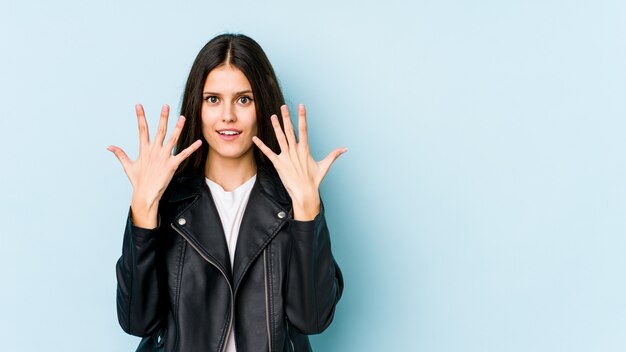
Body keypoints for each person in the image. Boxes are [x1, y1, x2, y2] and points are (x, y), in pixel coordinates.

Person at [107, 33, 345, 352]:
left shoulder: (293, 197)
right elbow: (137, 321)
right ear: (198, 106)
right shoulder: (166, 199)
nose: (228, 115)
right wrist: (143, 213)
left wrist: (306, 209)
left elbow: (312, 319)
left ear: (262, 105)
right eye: (213, 99)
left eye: (243, 99)